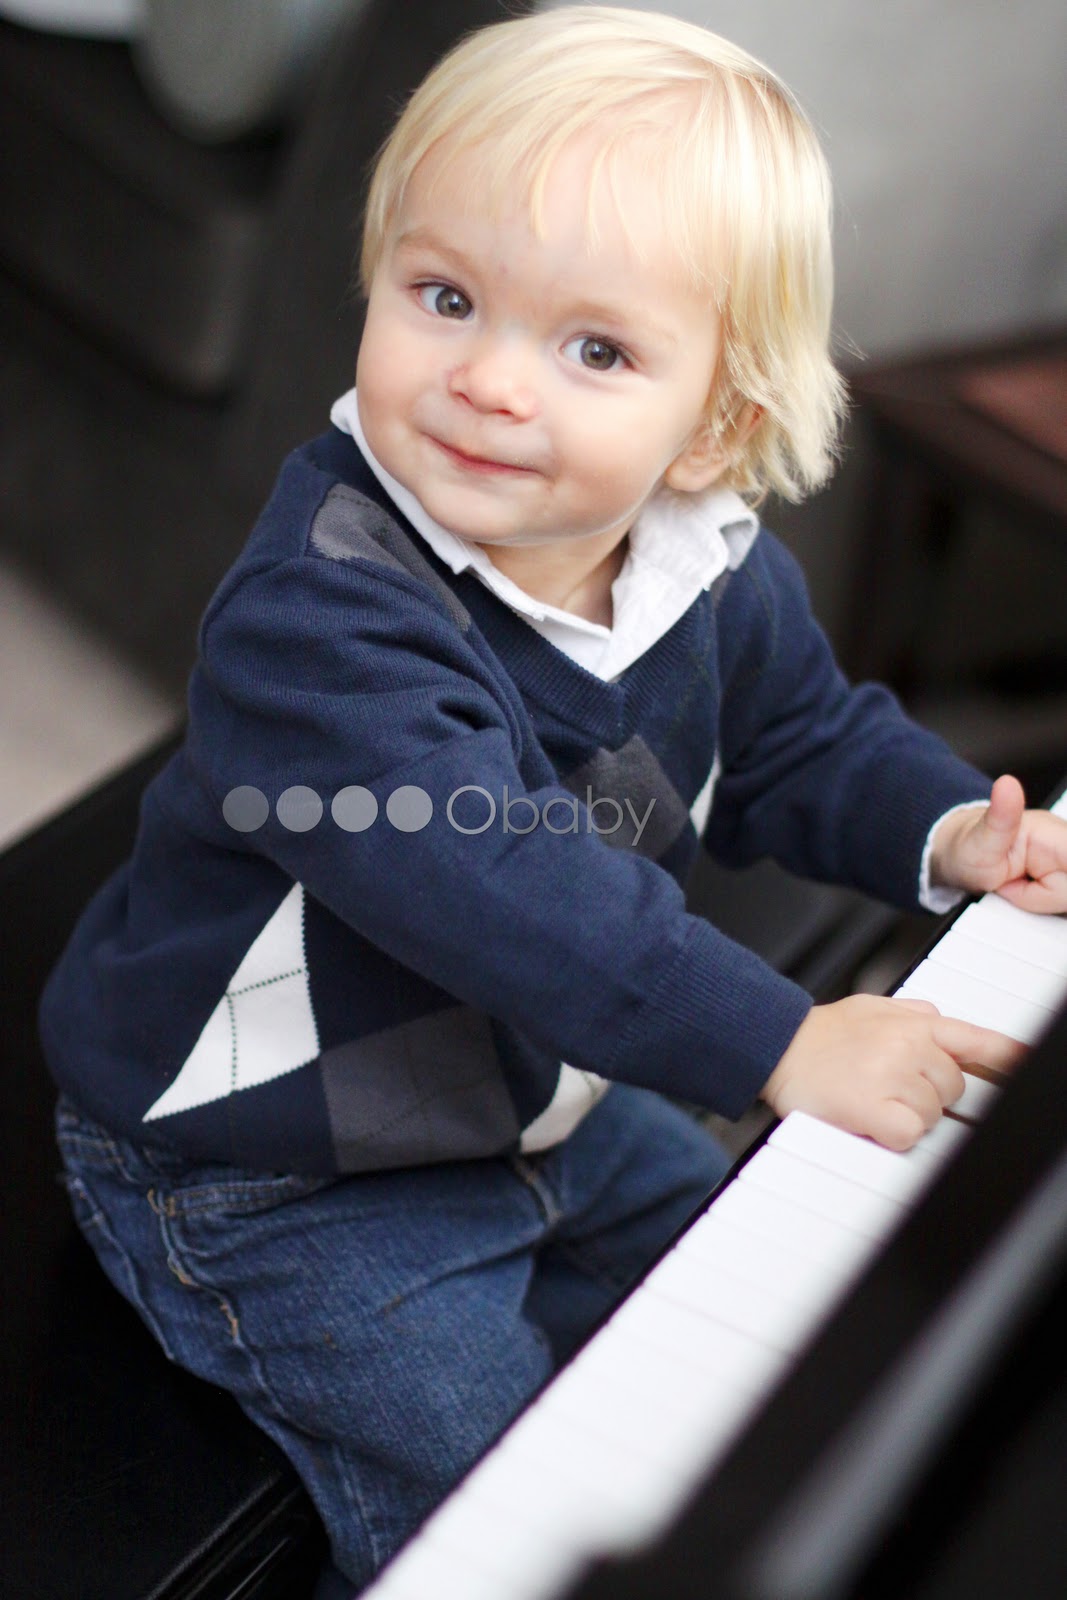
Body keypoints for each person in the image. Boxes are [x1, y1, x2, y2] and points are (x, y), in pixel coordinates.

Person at [40, 6, 1067, 1588]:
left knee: (759, 1322)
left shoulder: (705, 564)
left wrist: (953, 831)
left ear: (714, 424)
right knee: (493, 1493)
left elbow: (804, 740)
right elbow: (508, 887)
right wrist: (785, 1040)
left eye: (594, 349)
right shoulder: (319, 619)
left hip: (533, 1093)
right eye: (446, 297)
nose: (489, 382)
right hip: (275, 1169)